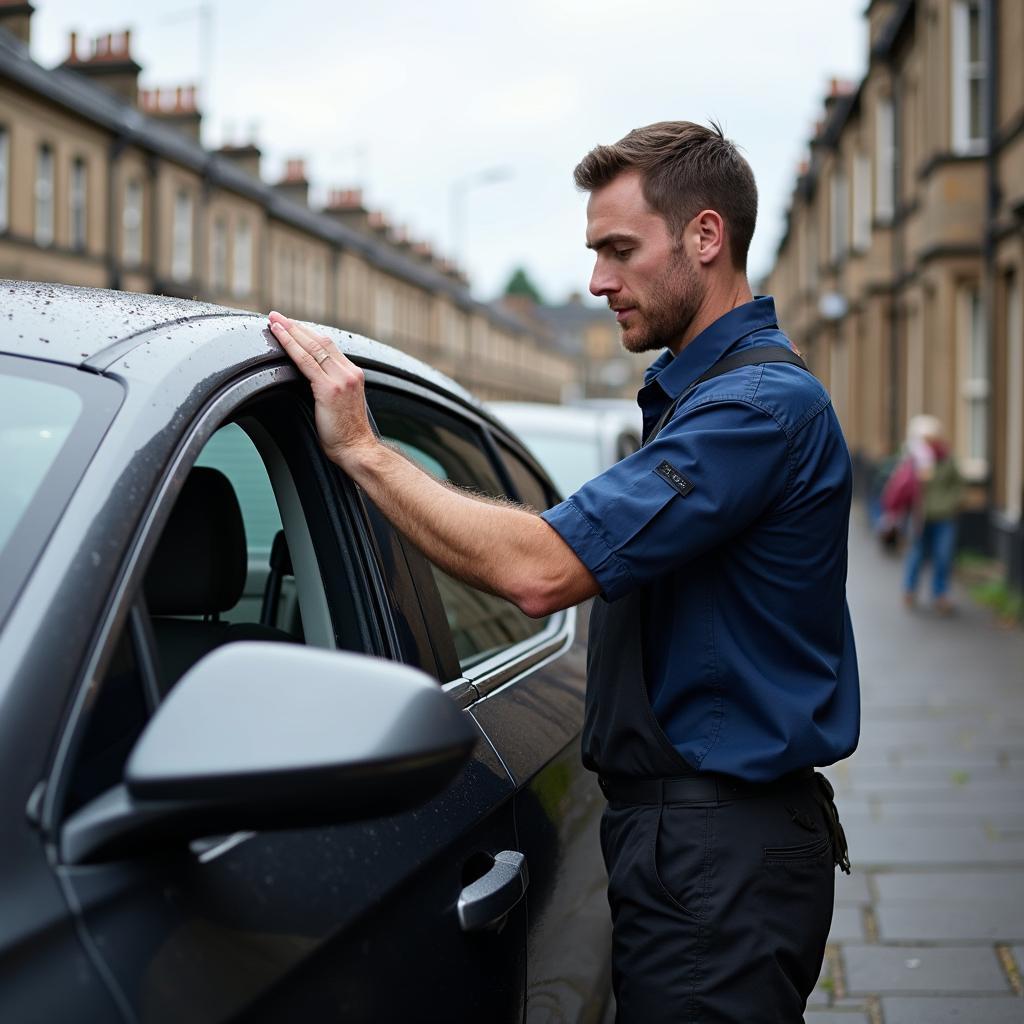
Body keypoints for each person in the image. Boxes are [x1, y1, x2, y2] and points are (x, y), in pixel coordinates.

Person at [268, 119, 859, 1024]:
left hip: (718, 856)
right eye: (594, 253)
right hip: (702, 846)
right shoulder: (709, 397)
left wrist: (363, 451)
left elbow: (541, 570)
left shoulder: (753, 410)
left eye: (620, 250)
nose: (597, 282)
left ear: (706, 236)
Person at [898, 415, 964, 613]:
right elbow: (902, 486)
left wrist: (951, 503)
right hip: (920, 516)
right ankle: (909, 590)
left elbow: (958, 484)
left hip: (944, 517)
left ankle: (940, 594)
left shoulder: (947, 459)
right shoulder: (914, 459)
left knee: (943, 556)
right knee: (916, 554)